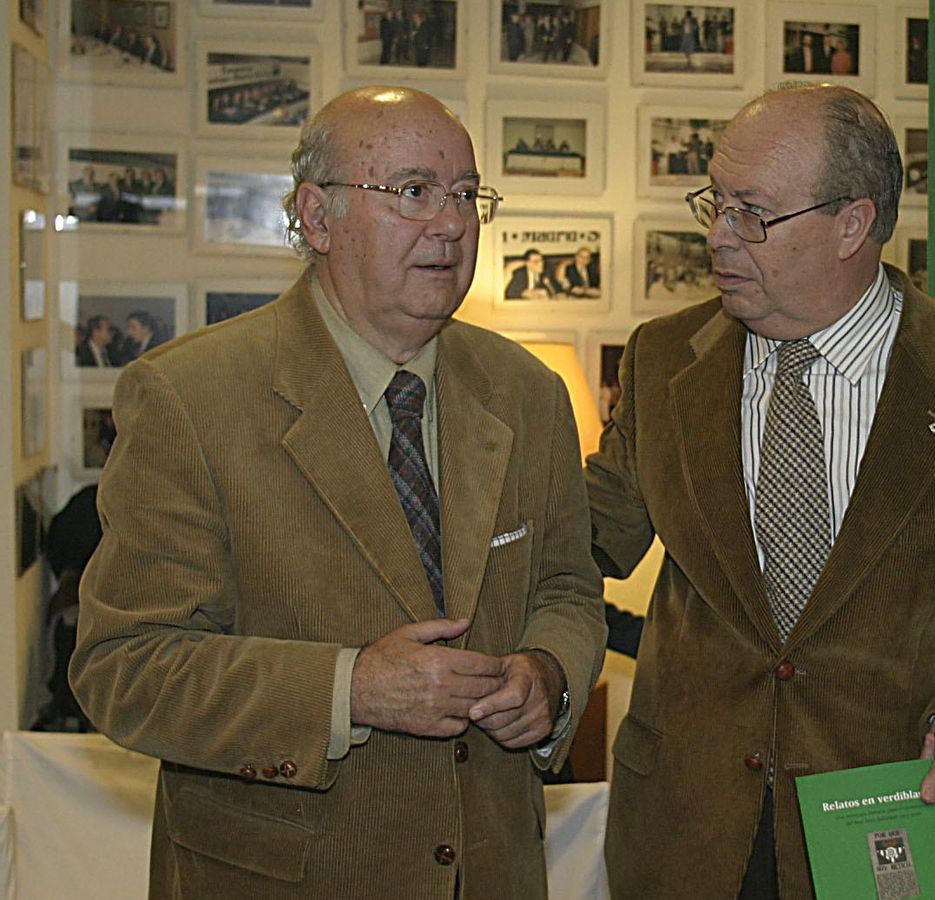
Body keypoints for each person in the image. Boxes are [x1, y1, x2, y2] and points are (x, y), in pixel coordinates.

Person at [69, 86, 607, 900]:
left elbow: (568, 586)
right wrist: (348, 690)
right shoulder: (190, 396)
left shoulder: (527, 392)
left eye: (466, 194)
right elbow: (127, 668)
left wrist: (549, 674)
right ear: (317, 219)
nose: (452, 223)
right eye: (413, 192)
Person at [586, 83, 935, 899]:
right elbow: (585, 538)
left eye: (752, 212)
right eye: (716, 202)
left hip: (897, 825)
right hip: (689, 832)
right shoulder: (663, 360)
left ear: (853, 224)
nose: (719, 235)